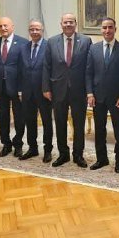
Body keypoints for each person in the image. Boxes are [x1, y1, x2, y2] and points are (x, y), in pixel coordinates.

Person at [44, 13, 92, 167]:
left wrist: (89, 91)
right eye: (65, 22)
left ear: (75, 24)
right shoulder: (52, 42)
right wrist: (46, 88)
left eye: (71, 22)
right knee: (60, 123)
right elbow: (46, 66)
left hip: (79, 90)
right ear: (61, 24)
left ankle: (78, 155)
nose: (68, 24)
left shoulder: (86, 41)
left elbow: (89, 67)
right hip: (58, 89)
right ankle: (63, 154)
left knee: (79, 124)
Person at [86, 17, 119, 172]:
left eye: (110, 27)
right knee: (99, 129)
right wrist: (89, 93)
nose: (107, 30)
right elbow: (88, 73)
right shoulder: (93, 49)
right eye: (104, 27)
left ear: (115, 29)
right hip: (98, 97)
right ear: (101, 30)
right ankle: (101, 159)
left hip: (117, 98)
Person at [0, 17, 28, 158]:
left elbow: (25, 68)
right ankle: (6, 144)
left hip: (17, 87)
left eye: (5, 25)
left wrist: (22, 88)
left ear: (12, 26)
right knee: (2, 116)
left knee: (19, 117)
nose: (3, 28)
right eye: (0, 26)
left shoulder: (23, 43)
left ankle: (18, 144)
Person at [19, 19, 53, 162]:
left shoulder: (49, 46)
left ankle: (47, 150)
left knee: (46, 122)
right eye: (32, 29)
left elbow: (51, 69)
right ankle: (32, 148)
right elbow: (20, 70)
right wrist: (20, 90)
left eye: (37, 29)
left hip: (44, 92)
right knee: (30, 121)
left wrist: (48, 89)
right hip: (27, 92)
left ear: (42, 30)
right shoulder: (23, 48)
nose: (34, 32)